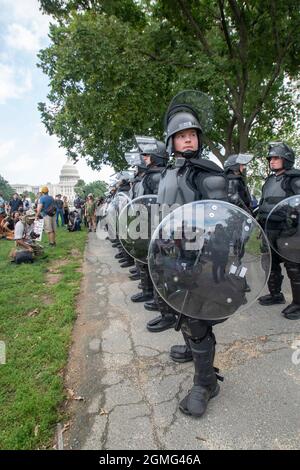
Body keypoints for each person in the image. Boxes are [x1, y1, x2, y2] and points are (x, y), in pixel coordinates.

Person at [152, 91, 228, 417]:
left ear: (198, 138)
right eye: (181, 136)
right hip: (173, 255)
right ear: (171, 142)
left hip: (199, 257)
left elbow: (222, 219)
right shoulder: (172, 173)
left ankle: (206, 382)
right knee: (180, 311)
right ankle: (194, 348)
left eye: (191, 135)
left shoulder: (207, 173)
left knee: (196, 318)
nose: (187, 140)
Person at [257, 142, 300, 320]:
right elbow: (263, 202)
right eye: (270, 158)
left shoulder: (295, 179)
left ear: (286, 159)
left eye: (276, 158)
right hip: (268, 229)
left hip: (287, 231)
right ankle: (276, 295)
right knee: (270, 264)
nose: (272, 161)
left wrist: (292, 226)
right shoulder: (270, 180)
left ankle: (298, 304)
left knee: (294, 268)